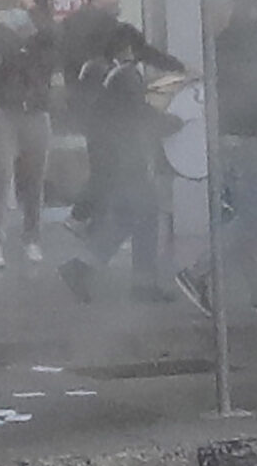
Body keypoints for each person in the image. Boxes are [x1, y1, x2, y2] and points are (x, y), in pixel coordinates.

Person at [177, 0, 257, 319]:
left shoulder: (221, 46)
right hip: (248, 142)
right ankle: (197, 272)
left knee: (237, 218)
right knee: (249, 219)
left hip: (227, 140)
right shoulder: (253, 47)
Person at [58, 24, 180, 304]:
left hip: (112, 155)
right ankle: (125, 279)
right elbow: (138, 114)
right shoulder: (125, 76)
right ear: (127, 48)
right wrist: (171, 123)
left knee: (134, 215)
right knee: (143, 212)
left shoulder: (105, 71)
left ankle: (95, 270)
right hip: (125, 156)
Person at [58, 0, 183, 229]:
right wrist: (179, 68)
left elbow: (142, 52)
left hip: (95, 112)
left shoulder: (75, 27)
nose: (117, 1)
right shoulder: (110, 31)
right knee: (121, 172)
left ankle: (89, 223)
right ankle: (87, 222)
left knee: (107, 169)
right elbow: (144, 52)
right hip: (111, 112)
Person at [0, 0, 57, 270]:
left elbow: (51, 33)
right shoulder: (3, 33)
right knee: (1, 175)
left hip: (36, 111)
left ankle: (32, 237)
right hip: (8, 110)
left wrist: (33, 8)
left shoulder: (45, 31)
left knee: (34, 178)